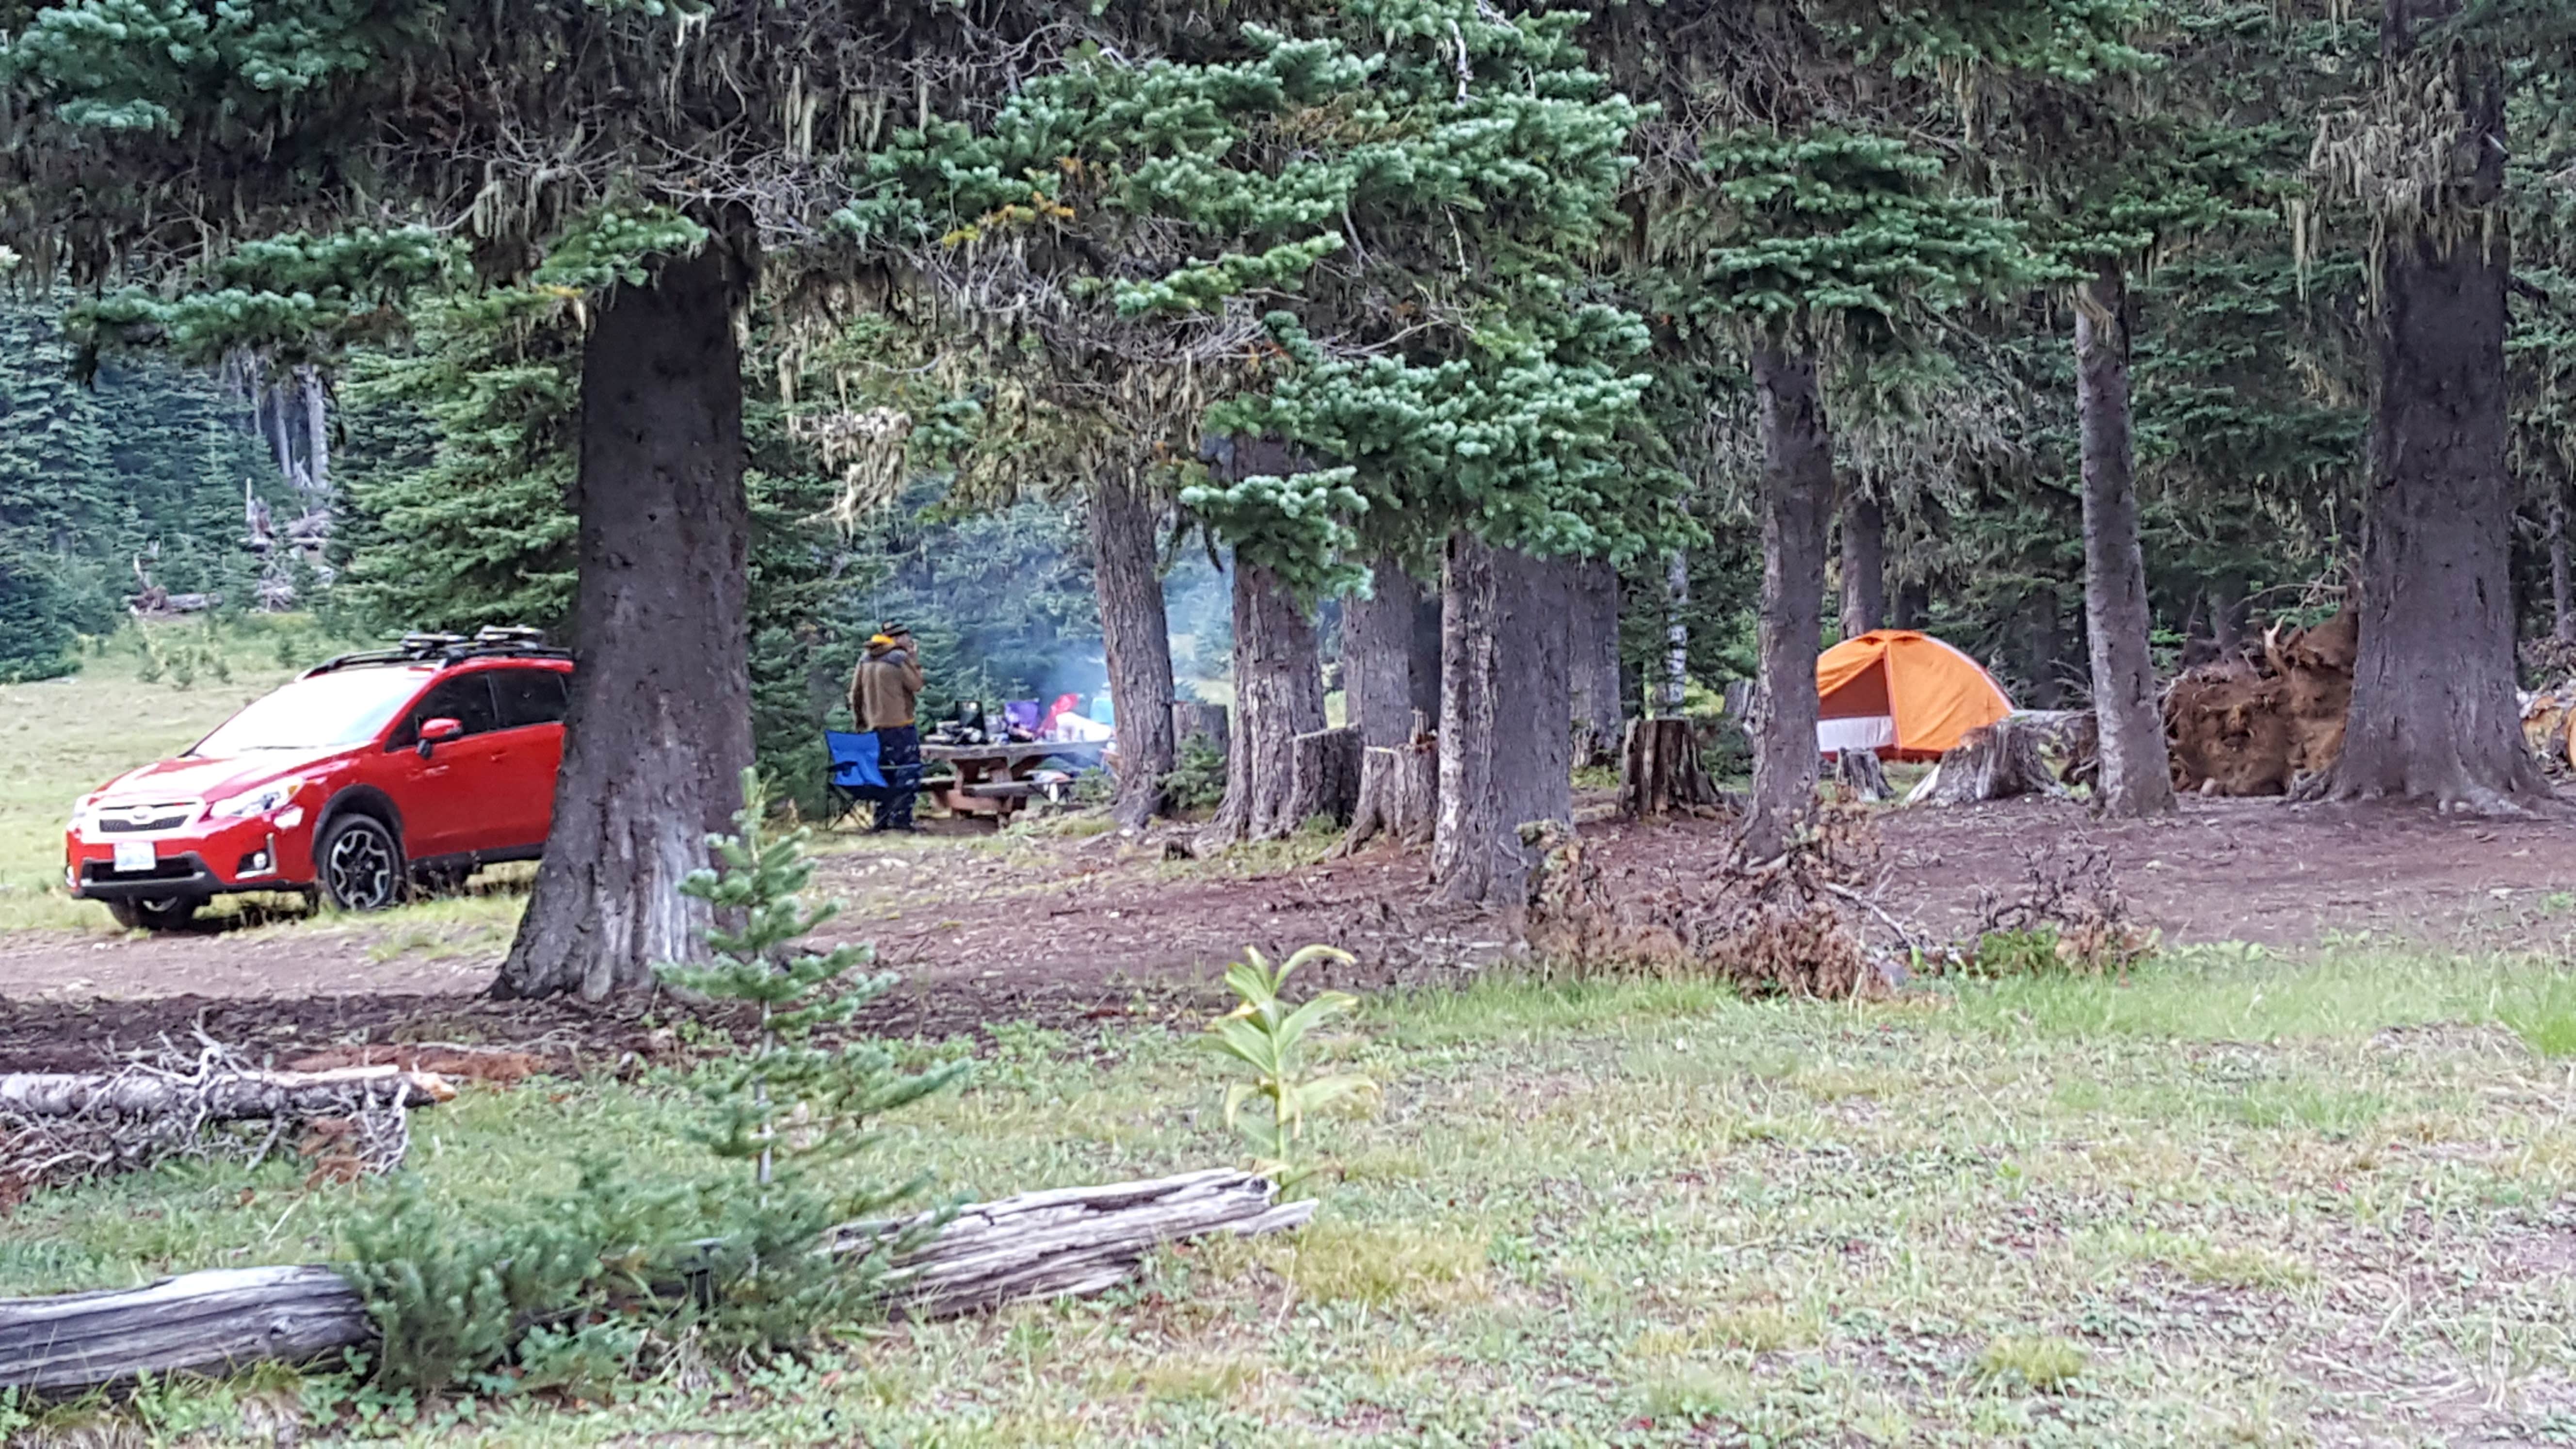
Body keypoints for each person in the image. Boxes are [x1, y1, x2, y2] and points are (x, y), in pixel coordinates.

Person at [851, 623, 925, 832]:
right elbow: (917, 685)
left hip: (874, 726)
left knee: (882, 773)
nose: (910, 642)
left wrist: (860, 721)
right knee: (908, 771)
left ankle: (881, 818)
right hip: (900, 725)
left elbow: (855, 693)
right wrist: (913, 659)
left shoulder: (865, 659)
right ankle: (902, 819)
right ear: (898, 639)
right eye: (907, 638)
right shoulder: (899, 659)